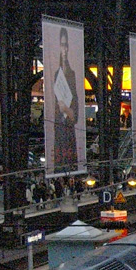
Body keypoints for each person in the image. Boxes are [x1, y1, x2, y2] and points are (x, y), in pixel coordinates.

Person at [48, 24, 80, 174]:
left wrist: (66, 109)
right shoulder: (56, 75)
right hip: (59, 134)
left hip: (69, 134)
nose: (65, 49)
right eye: (62, 45)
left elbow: (76, 115)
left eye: (66, 45)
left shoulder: (72, 75)